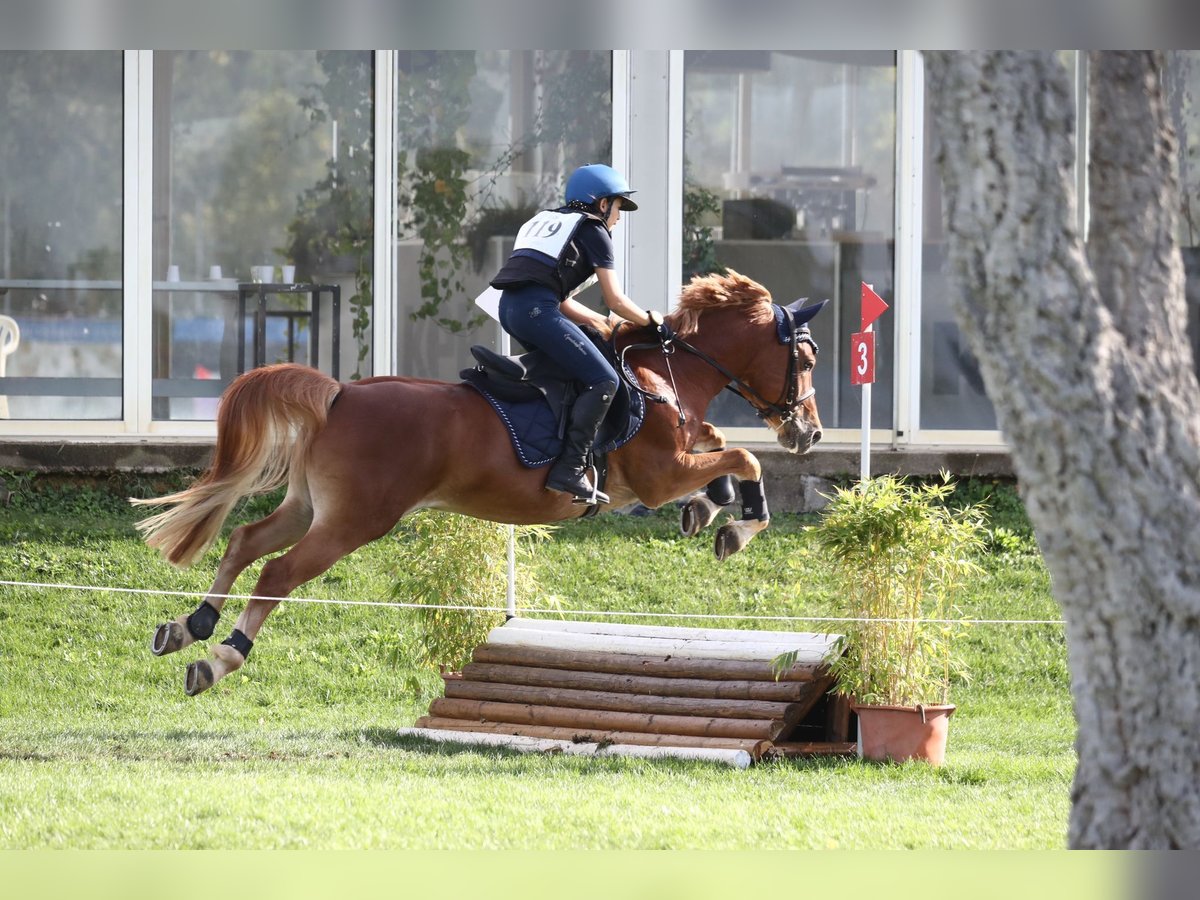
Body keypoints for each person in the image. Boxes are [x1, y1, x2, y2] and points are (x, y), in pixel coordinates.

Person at [490, 164, 667, 505]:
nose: (618, 217)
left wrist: (606, 324)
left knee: (571, 375)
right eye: (617, 207)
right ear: (602, 204)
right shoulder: (595, 230)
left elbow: (564, 302)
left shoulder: (544, 221)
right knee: (604, 381)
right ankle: (570, 468)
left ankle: (546, 449)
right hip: (538, 313)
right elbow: (615, 298)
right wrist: (649, 320)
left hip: (512, 311)